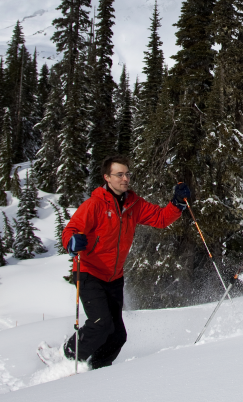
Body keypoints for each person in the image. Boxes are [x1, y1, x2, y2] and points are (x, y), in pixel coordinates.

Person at [61, 155, 190, 370]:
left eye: (127, 174)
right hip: (89, 272)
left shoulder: (133, 204)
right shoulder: (94, 204)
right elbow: (71, 231)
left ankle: (98, 369)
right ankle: (67, 356)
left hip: (114, 277)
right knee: (100, 323)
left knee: (118, 335)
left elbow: (160, 218)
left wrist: (177, 203)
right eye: (119, 175)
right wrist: (72, 242)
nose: (125, 179)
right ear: (107, 177)